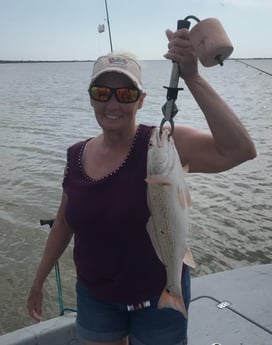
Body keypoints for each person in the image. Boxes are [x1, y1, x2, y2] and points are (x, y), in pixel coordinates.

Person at [27, 28, 256, 345]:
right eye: (102, 92)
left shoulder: (163, 143)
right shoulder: (75, 155)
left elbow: (240, 151)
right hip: (96, 297)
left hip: (159, 296)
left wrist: (193, 78)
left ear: (141, 100)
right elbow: (64, 222)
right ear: (91, 96)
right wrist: (38, 280)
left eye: (125, 94)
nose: (113, 103)